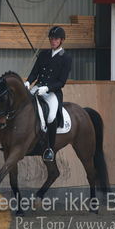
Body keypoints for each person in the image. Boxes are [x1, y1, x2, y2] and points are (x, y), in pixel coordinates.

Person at [24, 26, 72, 162]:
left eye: (55, 39)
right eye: (51, 38)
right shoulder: (44, 54)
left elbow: (61, 82)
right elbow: (35, 72)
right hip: (37, 88)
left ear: (61, 40)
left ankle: (49, 149)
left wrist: (47, 88)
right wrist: (28, 82)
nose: (53, 41)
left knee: (51, 117)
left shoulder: (66, 58)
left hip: (52, 93)